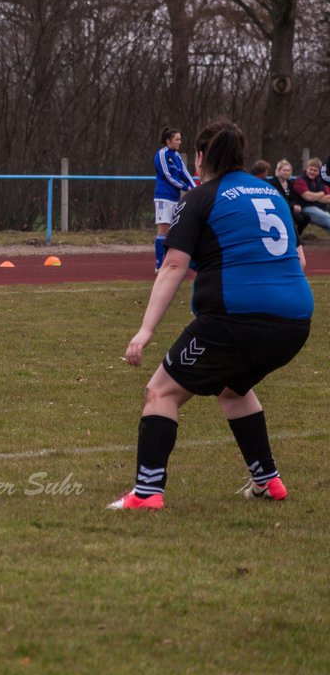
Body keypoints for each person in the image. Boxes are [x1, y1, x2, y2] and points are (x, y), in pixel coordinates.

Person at [111, 118, 312, 511]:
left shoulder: (200, 197)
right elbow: (299, 260)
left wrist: (145, 330)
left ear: (200, 158)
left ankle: (147, 493)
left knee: (160, 392)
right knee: (233, 390)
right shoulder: (271, 191)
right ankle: (268, 482)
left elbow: (172, 266)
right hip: (295, 322)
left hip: (234, 319)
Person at [153, 127, 194, 270]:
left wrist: (195, 187)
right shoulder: (162, 154)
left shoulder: (176, 156)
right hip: (163, 197)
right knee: (163, 230)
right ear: (168, 140)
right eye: (177, 139)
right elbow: (167, 175)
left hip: (175, 198)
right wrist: (185, 187)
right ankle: (159, 265)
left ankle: (169, 263)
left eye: (180, 139)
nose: (180, 142)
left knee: (173, 231)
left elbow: (185, 173)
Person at [269, 159, 310, 237]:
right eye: (284, 170)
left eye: (288, 171)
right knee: (294, 218)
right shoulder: (272, 182)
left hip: (291, 208)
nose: (286, 172)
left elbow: (294, 198)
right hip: (279, 208)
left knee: (306, 217)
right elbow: (277, 199)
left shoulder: (290, 183)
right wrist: (292, 206)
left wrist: (296, 205)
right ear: (278, 170)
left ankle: (297, 236)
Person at [292, 158, 330, 234]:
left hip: (320, 208)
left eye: (315, 170)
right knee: (326, 217)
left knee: (326, 218)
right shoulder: (300, 180)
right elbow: (308, 197)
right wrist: (321, 194)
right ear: (306, 169)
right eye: (310, 169)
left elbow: (329, 198)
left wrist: (314, 197)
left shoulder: (320, 181)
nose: (312, 172)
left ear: (319, 172)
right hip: (304, 208)